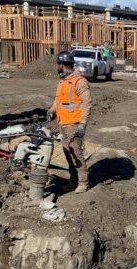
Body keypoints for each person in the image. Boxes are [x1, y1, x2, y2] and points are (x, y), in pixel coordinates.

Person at [47, 51, 92, 193]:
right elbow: (58, 101)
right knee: (67, 153)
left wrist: (82, 124)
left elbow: (87, 104)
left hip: (74, 124)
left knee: (76, 154)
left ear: (62, 65)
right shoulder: (63, 81)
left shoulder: (79, 81)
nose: (57, 67)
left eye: (58, 64)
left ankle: (83, 183)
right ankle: (73, 180)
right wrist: (51, 111)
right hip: (63, 123)